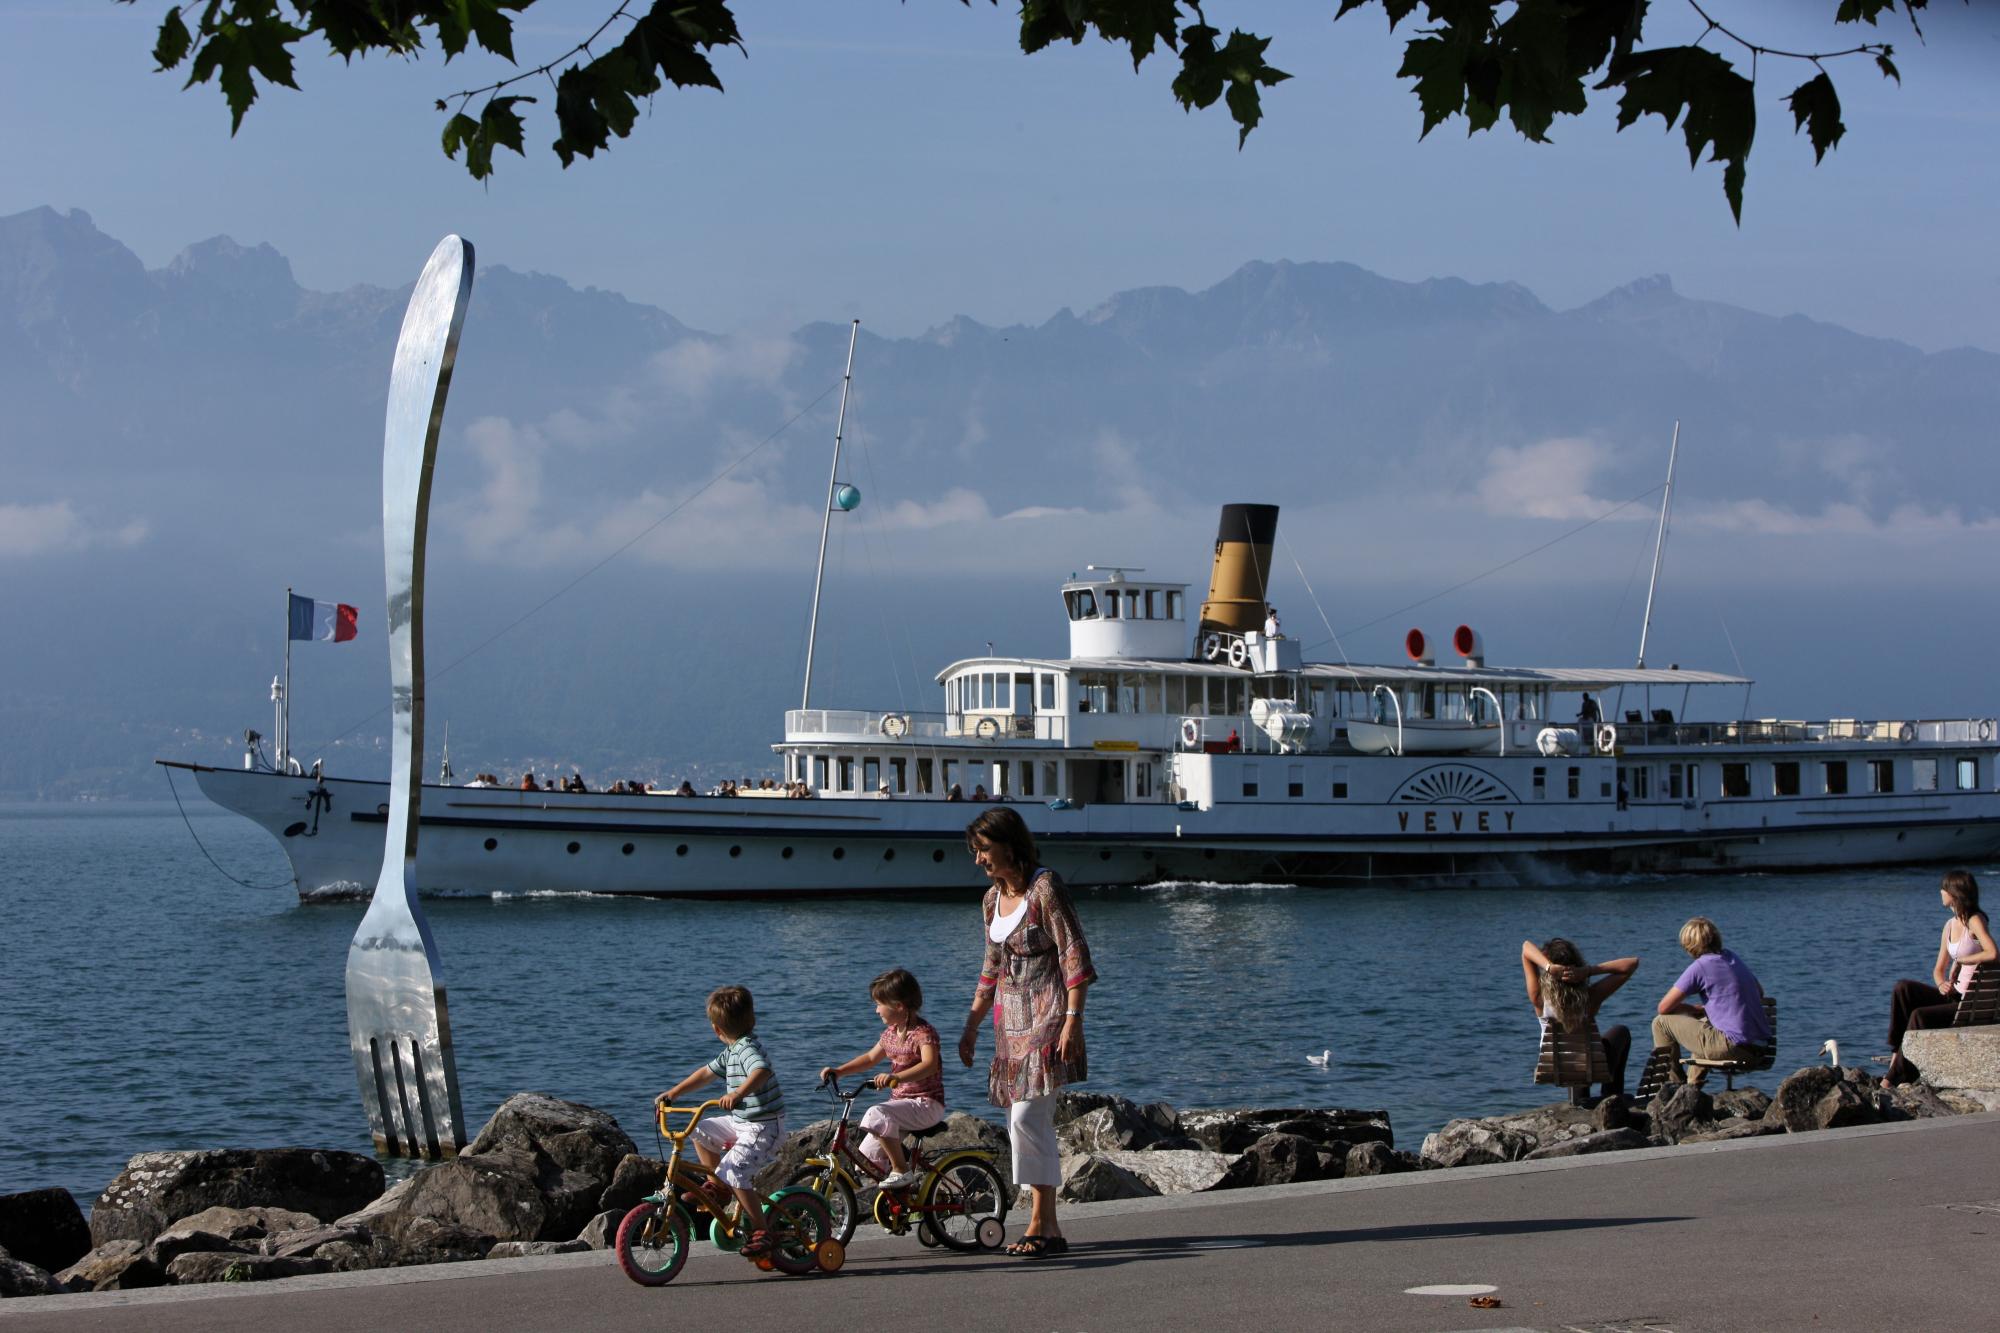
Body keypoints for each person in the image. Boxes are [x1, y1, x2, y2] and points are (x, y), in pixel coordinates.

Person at [958, 807, 1096, 1258]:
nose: (978, 859)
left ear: (1010, 845)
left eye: (984, 849)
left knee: (1026, 1119)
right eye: (974, 851)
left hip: (1050, 1016)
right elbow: (990, 968)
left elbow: (1074, 957)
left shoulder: (1045, 888)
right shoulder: (990, 900)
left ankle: (1041, 1221)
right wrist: (972, 1025)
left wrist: (1074, 1021)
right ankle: (1047, 1226)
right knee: (1022, 1122)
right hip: (1009, 1022)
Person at [656, 986, 787, 1259]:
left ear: (716, 1029)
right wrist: (674, 1092)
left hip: (764, 1126)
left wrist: (738, 1093)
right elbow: (706, 1073)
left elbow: (761, 1070)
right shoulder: (731, 1052)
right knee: (700, 1129)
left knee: (735, 1169)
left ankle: (763, 1231)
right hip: (743, 1122)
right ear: (751, 1019)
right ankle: (717, 1186)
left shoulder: (748, 1048)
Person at [818, 968, 945, 1190]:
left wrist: (895, 1077)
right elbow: (869, 1058)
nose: (876, 1010)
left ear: (898, 1006)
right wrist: (839, 1071)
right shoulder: (890, 1034)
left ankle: (901, 1170)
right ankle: (901, 1202)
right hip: (903, 1106)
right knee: (866, 1157)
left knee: (876, 1113)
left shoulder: (923, 1033)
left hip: (927, 1104)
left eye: (879, 1004)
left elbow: (929, 1065)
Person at [1884, 870, 1996, 1086]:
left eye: (1944, 888)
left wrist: (1963, 960)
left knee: (1919, 1016)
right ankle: (1896, 1053)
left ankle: (1892, 1078)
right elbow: (1938, 969)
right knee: (1902, 988)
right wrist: (1941, 984)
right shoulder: (1949, 926)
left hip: (1968, 1004)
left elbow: (1992, 953)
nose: (1940, 891)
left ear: (1955, 893)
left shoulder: (1974, 920)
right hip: (1952, 995)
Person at [1650, 916, 1771, 1086]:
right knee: (1705, 1026)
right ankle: (1693, 1086)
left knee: (1660, 1023)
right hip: (1760, 1049)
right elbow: (1759, 992)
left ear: (1690, 945)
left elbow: (1663, 1007)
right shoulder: (1732, 957)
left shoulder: (1700, 967)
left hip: (1733, 1048)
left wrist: (1691, 1009)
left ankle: (1674, 1086)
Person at [1522, 938, 1638, 1104]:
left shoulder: (1539, 999)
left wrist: (1549, 967)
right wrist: (1588, 971)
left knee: (1577, 1058)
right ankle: (1612, 1098)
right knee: (1621, 1032)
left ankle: (1580, 1100)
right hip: (1593, 1067)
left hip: (1556, 1068)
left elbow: (1526, 948)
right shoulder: (1591, 997)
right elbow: (1631, 964)